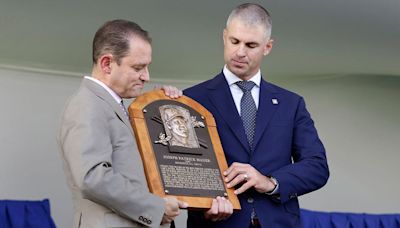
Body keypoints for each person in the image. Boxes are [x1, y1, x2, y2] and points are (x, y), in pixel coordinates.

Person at [58, 19, 231, 228]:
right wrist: (155, 208)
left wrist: (163, 101)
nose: (146, 76)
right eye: (138, 67)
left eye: (147, 67)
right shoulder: (86, 104)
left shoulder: (117, 106)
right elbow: (92, 177)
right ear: (106, 63)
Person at [184, 3, 329, 228]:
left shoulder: (291, 104)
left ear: (268, 46)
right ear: (224, 37)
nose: (240, 52)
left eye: (251, 45)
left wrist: (270, 182)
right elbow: (180, 166)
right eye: (234, 41)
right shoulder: (191, 99)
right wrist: (203, 207)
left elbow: (317, 166)